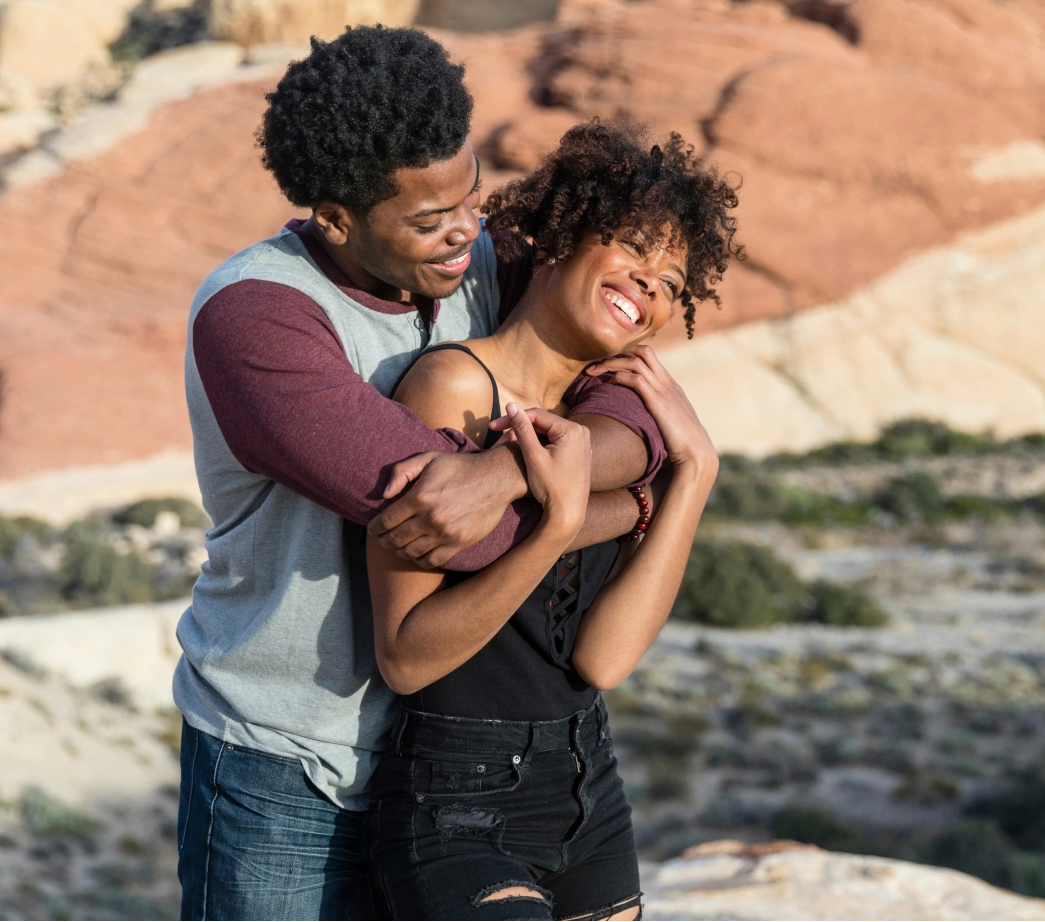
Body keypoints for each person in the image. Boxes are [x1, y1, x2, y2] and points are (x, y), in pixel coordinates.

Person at [174, 27, 670, 922]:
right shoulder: (259, 319)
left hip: (447, 763)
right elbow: (451, 525)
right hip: (286, 764)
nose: (465, 232)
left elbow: (629, 403)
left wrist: (504, 477)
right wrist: (633, 506)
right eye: (427, 219)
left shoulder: (488, 261)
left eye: (471, 196)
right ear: (336, 218)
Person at [363, 119, 741, 922]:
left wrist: (695, 475)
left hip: (587, 785)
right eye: (636, 246)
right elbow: (405, 659)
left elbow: (603, 662)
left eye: (673, 283)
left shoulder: (610, 430)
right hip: (456, 798)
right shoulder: (451, 391)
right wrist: (559, 525)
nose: (650, 284)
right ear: (565, 233)